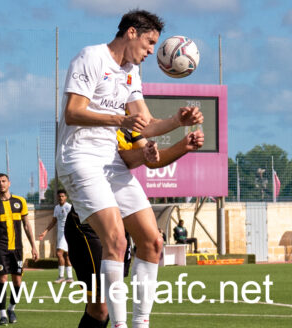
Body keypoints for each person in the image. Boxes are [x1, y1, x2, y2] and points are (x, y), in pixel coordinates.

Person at [56, 9, 203, 328]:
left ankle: (140, 324)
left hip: (110, 162)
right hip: (79, 158)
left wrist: (178, 121)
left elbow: (145, 125)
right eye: (150, 43)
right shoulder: (91, 57)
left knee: (152, 242)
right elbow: (72, 112)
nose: (153, 52)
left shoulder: (131, 73)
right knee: (117, 240)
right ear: (132, 32)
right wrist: (119, 120)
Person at [65, 128, 204, 328]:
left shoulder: (127, 126)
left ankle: (139, 324)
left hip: (121, 224)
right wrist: (173, 123)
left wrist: (182, 145)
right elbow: (124, 156)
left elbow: (149, 158)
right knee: (100, 308)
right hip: (88, 227)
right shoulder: (91, 120)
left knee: (153, 242)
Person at [0, 173, 39, 326]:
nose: (1, 184)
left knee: (17, 280)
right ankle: (2, 315)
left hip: (17, 249)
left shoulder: (20, 201)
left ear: (9, 183)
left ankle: (11, 308)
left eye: (3, 181)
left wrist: (34, 246)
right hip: (1, 248)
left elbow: (27, 225)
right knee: (2, 279)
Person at [39, 189, 73, 283]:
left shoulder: (69, 207)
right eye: (59, 196)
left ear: (66, 197)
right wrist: (45, 232)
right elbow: (54, 221)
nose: (61, 198)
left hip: (67, 233)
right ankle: (69, 277)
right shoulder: (56, 208)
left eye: (62, 196)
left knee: (59, 253)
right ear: (57, 197)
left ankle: (61, 276)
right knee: (66, 255)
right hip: (60, 233)